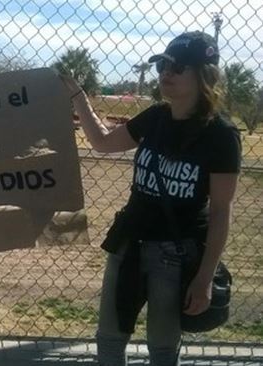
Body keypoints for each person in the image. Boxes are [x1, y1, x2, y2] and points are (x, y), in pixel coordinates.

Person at [63, 31, 241, 366]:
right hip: (128, 243)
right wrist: (76, 95)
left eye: (177, 67)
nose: (165, 73)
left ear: (204, 75)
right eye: (162, 65)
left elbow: (220, 211)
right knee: (110, 340)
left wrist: (204, 278)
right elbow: (102, 142)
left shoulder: (221, 135)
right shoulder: (156, 117)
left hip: (176, 253)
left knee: (161, 347)